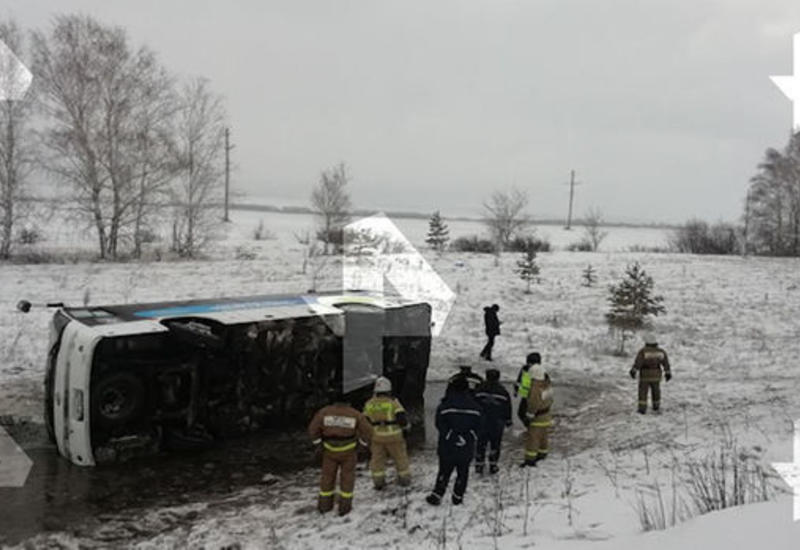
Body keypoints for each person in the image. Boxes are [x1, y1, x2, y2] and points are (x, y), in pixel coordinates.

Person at [308, 394, 372, 516]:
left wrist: (319, 444)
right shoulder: (355, 414)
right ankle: (345, 508)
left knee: (327, 479)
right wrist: (362, 445)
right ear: (348, 401)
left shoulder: (324, 412)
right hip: (349, 452)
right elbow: (368, 432)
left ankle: (324, 506)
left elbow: (312, 429)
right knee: (347, 479)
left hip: (329, 451)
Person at [426, 376, 484, 506]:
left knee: (444, 470)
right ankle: (458, 496)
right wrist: (468, 437)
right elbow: (480, 426)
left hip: (447, 446)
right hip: (466, 446)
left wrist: (452, 436)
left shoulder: (445, 405)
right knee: (463, 472)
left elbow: (439, 423)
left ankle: (437, 493)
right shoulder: (475, 407)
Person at [363, 376, 411, 489]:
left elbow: (365, 421)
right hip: (394, 436)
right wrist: (406, 429)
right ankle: (404, 479)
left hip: (377, 437)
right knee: (400, 458)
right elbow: (402, 419)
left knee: (377, 460)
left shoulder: (369, 404)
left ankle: (378, 481)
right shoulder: (393, 403)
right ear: (389, 390)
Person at [474, 368, 512, 474]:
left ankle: (479, 464)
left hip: (482, 421)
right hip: (497, 423)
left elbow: (474, 404)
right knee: (495, 444)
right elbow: (507, 407)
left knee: (481, 444)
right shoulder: (503, 392)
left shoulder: (479, 389)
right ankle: (493, 464)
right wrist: (508, 420)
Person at [630, 334, 672, 414]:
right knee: (656, 391)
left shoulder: (643, 351)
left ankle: (642, 409)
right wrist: (668, 372)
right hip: (656, 375)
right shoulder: (661, 351)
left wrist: (633, 370)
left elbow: (638, 362)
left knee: (643, 392)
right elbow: (665, 363)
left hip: (645, 375)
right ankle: (656, 406)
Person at [522, 363, 553, 467]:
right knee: (543, 436)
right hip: (546, 415)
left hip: (538, 417)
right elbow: (550, 399)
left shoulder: (535, 387)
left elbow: (533, 403)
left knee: (533, 438)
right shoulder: (547, 384)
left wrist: (529, 415)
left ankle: (530, 460)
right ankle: (543, 453)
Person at [514, 352, 540, 427]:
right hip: (526, 395)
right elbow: (519, 379)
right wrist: (516, 390)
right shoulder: (525, 369)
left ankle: (532, 427)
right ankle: (530, 426)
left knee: (529, 413)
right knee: (521, 413)